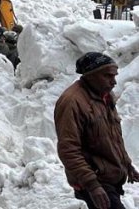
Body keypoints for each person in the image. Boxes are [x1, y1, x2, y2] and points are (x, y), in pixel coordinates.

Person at [55, 52, 139, 209]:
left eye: (114, 76)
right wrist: (92, 185)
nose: (114, 82)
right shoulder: (72, 102)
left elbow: (113, 137)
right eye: (107, 76)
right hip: (95, 180)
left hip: (108, 176)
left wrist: (127, 165)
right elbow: (68, 149)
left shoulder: (105, 96)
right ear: (91, 75)